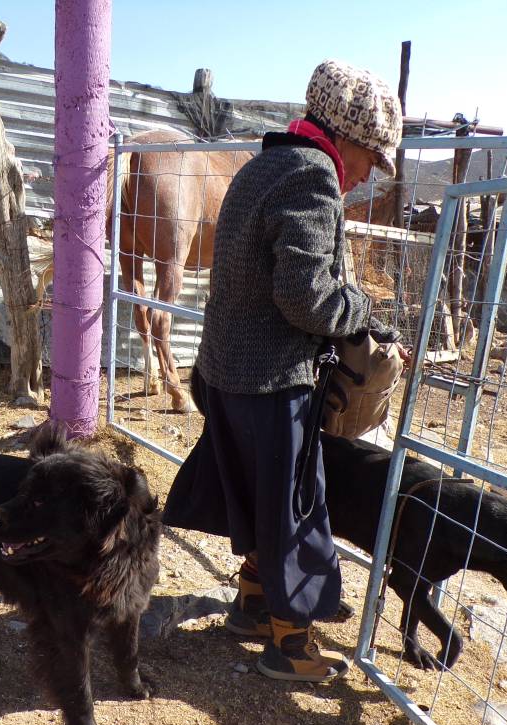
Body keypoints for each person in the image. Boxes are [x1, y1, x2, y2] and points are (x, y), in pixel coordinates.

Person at [162, 60, 405, 683]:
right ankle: (291, 646)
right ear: (343, 138)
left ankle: (250, 606)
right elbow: (306, 297)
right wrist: (363, 310)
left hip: (227, 371)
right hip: (272, 379)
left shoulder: (263, 165)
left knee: (255, 494)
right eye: (370, 159)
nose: (366, 176)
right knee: (294, 508)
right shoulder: (312, 176)